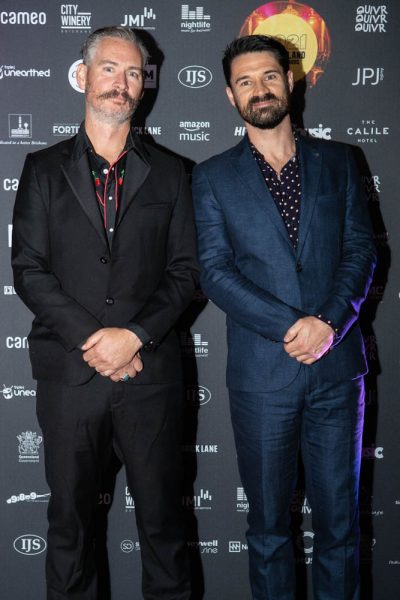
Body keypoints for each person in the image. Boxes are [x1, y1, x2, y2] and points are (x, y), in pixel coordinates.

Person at [12, 26, 198, 600]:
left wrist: (135, 336)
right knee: (70, 532)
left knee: (165, 530)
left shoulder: (173, 172)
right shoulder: (42, 168)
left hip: (151, 378)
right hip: (71, 377)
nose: (122, 82)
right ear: (84, 75)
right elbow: (29, 269)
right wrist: (99, 341)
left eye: (134, 72)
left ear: (144, 85)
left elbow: (186, 271)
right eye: (110, 69)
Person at [192, 35, 376, 600]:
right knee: (269, 530)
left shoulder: (340, 161)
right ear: (230, 96)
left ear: (290, 81)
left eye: (269, 76)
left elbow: (360, 250)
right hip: (262, 379)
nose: (260, 89)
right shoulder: (212, 176)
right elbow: (215, 272)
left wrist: (329, 323)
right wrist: (293, 328)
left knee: (340, 527)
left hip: (337, 372)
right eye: (245, 81)